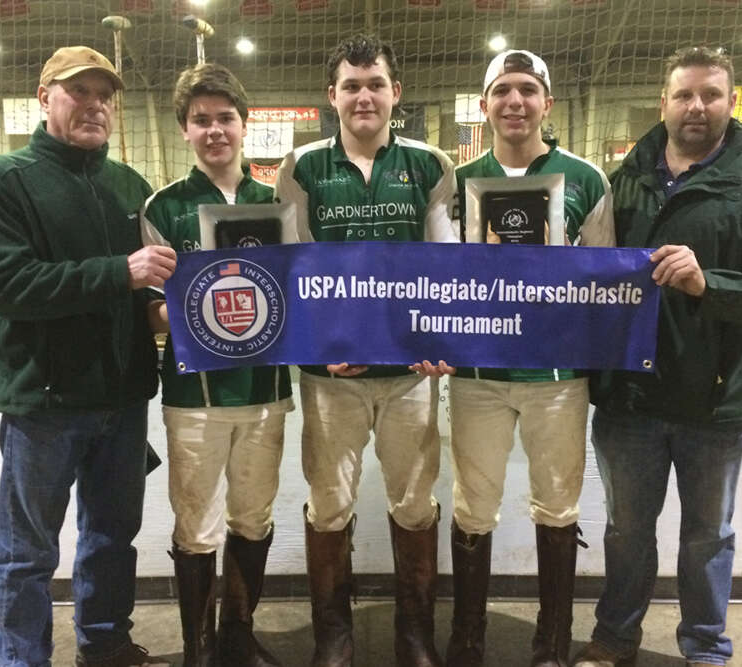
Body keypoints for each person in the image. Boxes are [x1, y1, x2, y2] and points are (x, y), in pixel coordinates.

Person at [573, 46, 742, 667]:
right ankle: (614, 638)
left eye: (711, 95)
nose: (697, 107)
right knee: (626, 533)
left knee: (709, 536)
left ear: (732, 103)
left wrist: (711, 283)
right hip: (630, 398)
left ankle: (705, 647)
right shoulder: (618, 185)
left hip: (716, 399)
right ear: (664, 103)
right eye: (684, 95)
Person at [0, 46, 176, 666]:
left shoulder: (129, 186)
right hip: (45, 405)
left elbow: (148, 295)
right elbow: (10, 286)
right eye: (78, 92)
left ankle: (105, 644)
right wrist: (121, 272)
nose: (94, 106)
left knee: (112, 538)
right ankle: (24, 659)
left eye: (104, 96)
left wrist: (187, 313)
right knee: (28, 554)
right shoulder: (0, 181)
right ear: (44, 98)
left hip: (122, 400)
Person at [420, 50, 615, 667]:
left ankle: (552, 643)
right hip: (479, 377)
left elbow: (604, 277)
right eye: (502, 89)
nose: (515, 101)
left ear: (546, 103)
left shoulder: (586, 179)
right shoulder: (454, 181)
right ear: (484, 105)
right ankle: (468, 638)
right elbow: (437, 274)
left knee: (557, 506)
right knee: (473, 507)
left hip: (557, 378)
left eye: (528, 90)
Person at [274, 33, 457, 667]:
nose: (364, 95)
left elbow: (444, 265)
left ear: (395, 93)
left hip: (410, 374)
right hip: (333, 374)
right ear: (332, 96)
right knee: (330, 505)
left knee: (413, 503)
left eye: (375, 83)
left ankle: (414, 635)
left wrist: (438, 342)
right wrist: (318, 347)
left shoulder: (431, 164)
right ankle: (334, 636)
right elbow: (294, 269)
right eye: (351, 85)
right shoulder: (301, 167)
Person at [139, 62, 293, 667]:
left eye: (225, 118)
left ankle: (237, 634)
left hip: (266, 389)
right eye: (201, 120)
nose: (214, 130)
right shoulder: (164, 206)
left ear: (244, 124)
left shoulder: (277, 203)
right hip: (193, 395)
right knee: (196, 524)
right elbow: (151, 309)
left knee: (253, 516)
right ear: (184, 129)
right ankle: (198, 648)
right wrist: (188, 315)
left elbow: (299, 290)